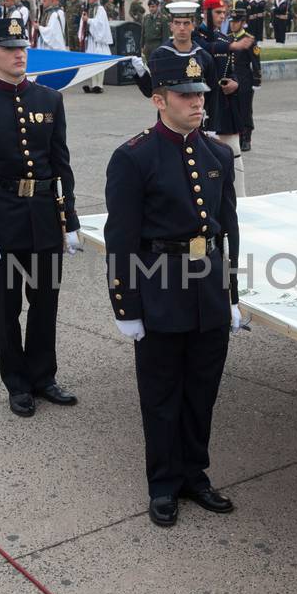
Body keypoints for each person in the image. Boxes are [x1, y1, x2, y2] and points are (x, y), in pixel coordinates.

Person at [104, 50, 242, 529]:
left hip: (208, 289)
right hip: (161, 286)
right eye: (186, 95)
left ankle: (194, 475)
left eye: (200, 94)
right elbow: (120, 238)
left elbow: (229, 228)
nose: (197, 103)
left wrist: (233, 293)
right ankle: (163, 483)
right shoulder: (133, 157)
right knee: (162, 394)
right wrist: (126, 304)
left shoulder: (218, 153)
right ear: (159, 100)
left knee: (202, 391)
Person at [0, 16, 82, 418]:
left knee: (46, 303)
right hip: (3, 219)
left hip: (44, 216)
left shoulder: (49, 99)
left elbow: (61, 164)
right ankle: (17, 383)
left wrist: (70, 219)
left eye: (22, 47)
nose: (19, 55)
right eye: (9, 49)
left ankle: (44, 376)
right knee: (6, 309)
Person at [206, 7, 259, 197]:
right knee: (205, 154)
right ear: (206, 14)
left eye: (223, 13)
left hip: (225, 100)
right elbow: (203, 48)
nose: (223, 17)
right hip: (203, 103)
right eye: (217, 12)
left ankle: (241, 197)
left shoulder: (225, 39)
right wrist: (231, 47)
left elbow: (232, 68)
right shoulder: (197, 38)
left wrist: (235, 82)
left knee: (234, 150)